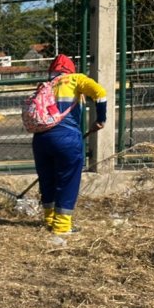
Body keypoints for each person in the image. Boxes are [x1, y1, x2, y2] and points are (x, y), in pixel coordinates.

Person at [32, 54, 107, 235]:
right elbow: (100, 94)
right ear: (70, 69)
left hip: (40, 140)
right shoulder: (76, 79)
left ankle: (49, 219)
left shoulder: (45, 85)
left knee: (47, 179)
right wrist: (100, 119)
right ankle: (62, 226)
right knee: (67, 181)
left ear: (52, 71)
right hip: (67, 139)